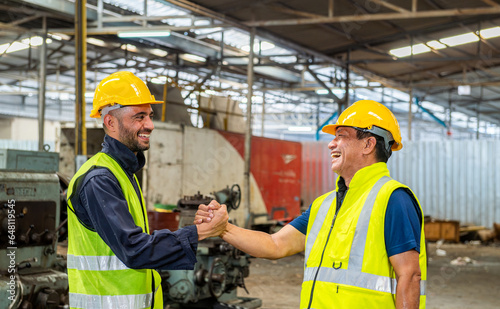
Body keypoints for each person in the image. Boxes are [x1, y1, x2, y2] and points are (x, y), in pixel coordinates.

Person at [196, 100, 427, 309]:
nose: (331, 144)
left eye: (342, 136)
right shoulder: (324, 205)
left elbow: (409, 276)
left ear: (368, 144)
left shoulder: (393, 199)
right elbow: (275, 244)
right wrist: (223, 228)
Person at [66, 71, 228, 309]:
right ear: (110, 122)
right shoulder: (100, 179)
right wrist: (198, 233)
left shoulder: (124, 171)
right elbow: (134, 250)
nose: (150, 125)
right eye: (139, 117)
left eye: (149, 116)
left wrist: (196, 229)